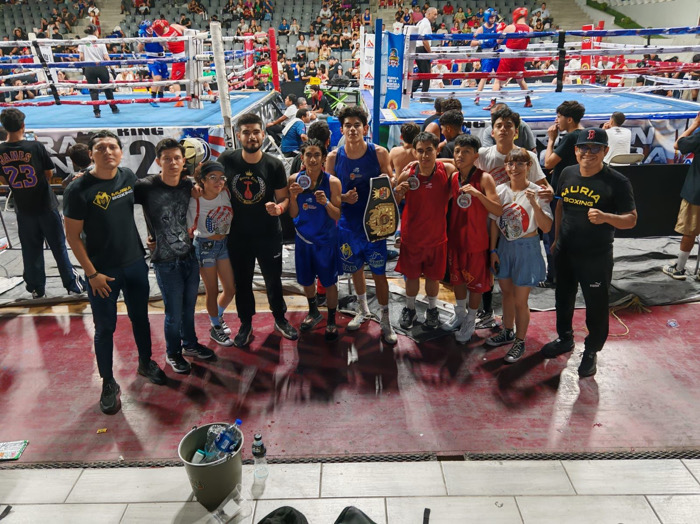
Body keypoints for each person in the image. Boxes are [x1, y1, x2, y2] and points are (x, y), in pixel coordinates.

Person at [63, 131, 167, 415]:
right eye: (101, 148)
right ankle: (108, 382)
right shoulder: (78, 189)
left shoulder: (127, 177)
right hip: (102, 273)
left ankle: (145, 362)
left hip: (134, 263)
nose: (108, 151)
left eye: (113, 147)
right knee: (105, 328)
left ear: (121, 153)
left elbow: (149, 203)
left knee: (140, 318)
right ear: (91, 154)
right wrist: (92, 274)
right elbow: (72, 237)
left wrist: (151, 235)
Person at [541, 128, 637, 377]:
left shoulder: (617, 181)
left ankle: (592, 350)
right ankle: (565, 339)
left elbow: (631, 220)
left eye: (595, 148)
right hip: (565, 251)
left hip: (595, 256)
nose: (588, 153)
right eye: (584, 147)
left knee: (596, 305)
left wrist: (606, 217)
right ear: (575, 150)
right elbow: (561, 204)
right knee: (563, 298)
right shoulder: (567, 172)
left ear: (605, 151)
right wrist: (556, 238)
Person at [135, 139, 215, 374]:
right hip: (165, 262)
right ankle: (173, 353)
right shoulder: (145, 186)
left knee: (188, 307)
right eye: (167, 158)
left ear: (184, 161)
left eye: (177, 158)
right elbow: (116, 196)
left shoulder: (187, 184)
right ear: (158, 161)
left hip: (189, 256)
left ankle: (189, 344)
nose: (172, 162)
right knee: (173, 313)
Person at [218, 113, 298, 346]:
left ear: (263, 134)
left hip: (268, 235)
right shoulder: (226, 160)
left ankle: (280, 318)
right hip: (237, 236)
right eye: (246, 132)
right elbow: (208, 184)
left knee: (273, 280)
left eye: (255, 132)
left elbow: (283, 199)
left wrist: (280, 209)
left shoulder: (273, 164)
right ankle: (245, 323)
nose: (252, 137)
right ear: (238, 135)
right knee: (242, 282)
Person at [474, 107, 552, 329]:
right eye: (499, 125)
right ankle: (488, 313)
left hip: (522, 231)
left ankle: (517, 335)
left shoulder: (529, 158)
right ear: (493, 130)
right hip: (493, 223)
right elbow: (458, 159)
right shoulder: (484, 155)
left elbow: (544, 186)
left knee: (518, 295)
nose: (503, 129)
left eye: (508, 126)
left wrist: (545, 195)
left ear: (516, 131)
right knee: (492, 272)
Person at [325, 106, 398, 344]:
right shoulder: (333, 157)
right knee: (355, 270)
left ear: (365, 128)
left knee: (379, 273)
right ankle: (363, 309)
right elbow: (328, 192)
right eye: (348, 125)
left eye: (357, 125)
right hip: (348, 225)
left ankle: (386, 321)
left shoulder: (378, 153)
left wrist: (394, 186)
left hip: (375, 225)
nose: (353, 129)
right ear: (342, 129)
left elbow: (388, 183)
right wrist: (343, 198)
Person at [0, 109, 85, 299]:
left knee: (31, 250)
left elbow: (4, 181)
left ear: (4, 128)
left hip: (23, 207)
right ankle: (72, 285)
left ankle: (37, 288)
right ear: (23, 126)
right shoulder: (35, 146)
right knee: (58, 246)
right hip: (45, 205)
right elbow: (48, 174)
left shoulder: (0, 151)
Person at [487, 148, 553, 362]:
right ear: (505, 167)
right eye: (510, 164)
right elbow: (495, 222)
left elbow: (547, 227)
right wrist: (493, 250)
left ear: (528, 166)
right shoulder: (500, 190)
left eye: (519, 164)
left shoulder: (538, 191)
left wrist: (534, 203)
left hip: (528, 247)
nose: (514, 168)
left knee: (520, 299)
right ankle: (507, 331)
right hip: (505, 247)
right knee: (505, 293)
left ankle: (520, 341)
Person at [393, 132, 457, 330]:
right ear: (414, 152)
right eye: (419, 151)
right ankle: (410, 309)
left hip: (437, 238)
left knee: (433, 279)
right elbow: (393, 204)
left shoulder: (446, 170)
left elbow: (460, 161)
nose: (424, 155)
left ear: (436, 150)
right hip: (411, 237)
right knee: (411, 278)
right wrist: (398, 193)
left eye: (429, 150)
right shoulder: (407, 174)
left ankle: (432, 309)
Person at [443, 134, 502, 342]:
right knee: (457, 280)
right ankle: (460, 314)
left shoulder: (484, 178)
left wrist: (478, 195)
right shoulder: (454, 178)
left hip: (476, 243)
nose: (460, 155)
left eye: (466, 152)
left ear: (476, 155)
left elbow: (498, 209)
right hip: (455, 240)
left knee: (475, 285)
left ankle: (471, 318)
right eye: (457, 151)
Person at [288, 139, 342, 340]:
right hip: (303, 240)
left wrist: (326, 202)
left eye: (316, 155)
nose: (312, 159)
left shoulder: (333, 182)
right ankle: (313, 312)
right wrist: (292, 198)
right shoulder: (294, 179)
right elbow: (293, 214)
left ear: (323, 158)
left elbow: (337, 215)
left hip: (326, 242)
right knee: (307, 281)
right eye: (308, 155)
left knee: (329, 283)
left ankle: (331, 320)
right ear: (302, 158)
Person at [188, 161, 236, 345]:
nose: (219, 182)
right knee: (212, 290)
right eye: (212, 178)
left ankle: (217, 317)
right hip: (205, 246)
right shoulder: (195, 199)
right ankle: (215, 328)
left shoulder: (225, 193)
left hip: (223, 245)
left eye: (221, 177)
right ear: (202, 180)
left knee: (230, 289)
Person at [542, 100, 586, 288]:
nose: (556, 120)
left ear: (569, 119)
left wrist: (551, 139)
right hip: (576, 190)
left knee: (553, 236)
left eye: (559, 117)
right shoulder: (584, 134)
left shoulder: (569, 137)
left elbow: (548, 163)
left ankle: (554, 277)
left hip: (561, 195)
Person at [662, 111, 700, 280]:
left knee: (689, 231)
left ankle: (679, 268)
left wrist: (695, 125)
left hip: (696, 193)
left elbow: (678, 145)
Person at [488, 7, 533, 109]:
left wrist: (500, 30)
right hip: (521, 55)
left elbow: (499, 41)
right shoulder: (530, 29)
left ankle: (492, 102)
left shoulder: (511, 27)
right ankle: (528, 100)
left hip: (509, 55)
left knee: (498, 80)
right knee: (520, 80)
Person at [79, 24, 119, 119]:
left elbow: (81, 57)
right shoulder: (100, 41)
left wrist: (84, 66)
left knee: (93, 91)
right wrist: (112, 68)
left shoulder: (82, 41)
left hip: (89, 67)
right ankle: (113, 108)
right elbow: (106, 57)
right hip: (101, 66)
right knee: (107, 88)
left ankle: (97, 112)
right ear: (96, 31)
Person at [471, 8, 500, 106]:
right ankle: (477, 97)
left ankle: (495, 96)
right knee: (484, 77)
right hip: (486, 54)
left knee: (499, 76)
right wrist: (481, 41)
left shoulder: (497, 27)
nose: (493, 19)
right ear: (487, 17)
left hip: (497, 53)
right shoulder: (481, 29)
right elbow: (472, 43)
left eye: (494, 17)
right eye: (491, 17)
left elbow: (503, 38)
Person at [137, 20, 168, 107]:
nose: (150, 28)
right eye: (147, 27)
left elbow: (164, 45)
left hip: (162, 57)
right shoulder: (143, 34)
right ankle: (153, 98)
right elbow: (139, 50)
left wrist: (159, 37)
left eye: (150, 26)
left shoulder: (157, 31)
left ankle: (161, 95)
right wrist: (142, 41)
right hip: (151, 58)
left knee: (164, 78)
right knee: (157, 78)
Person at [411, 7, 438, 94]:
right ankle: (424, 95)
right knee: (426, 73)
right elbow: (425, 40)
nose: (436, 16)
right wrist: (430, 53)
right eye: (434, 14)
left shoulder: (421, 22)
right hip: (422, 49)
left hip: (418, 48)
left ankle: (410, 90)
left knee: (421, 72)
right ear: (429, 14)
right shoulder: (426, 23)